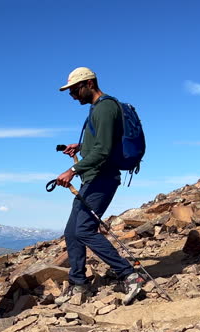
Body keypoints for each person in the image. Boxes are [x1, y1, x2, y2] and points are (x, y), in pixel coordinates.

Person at [55, 67, 145, 305]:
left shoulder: (105, 107)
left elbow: (104, 151)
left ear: (89, 84)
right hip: (94, 178)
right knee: (72, 231)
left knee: (84, 230)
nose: (73, 96)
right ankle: (78, 284)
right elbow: (101, 144)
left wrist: (72, 170)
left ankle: (130, 275)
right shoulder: (98, 108)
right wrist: (81, 147)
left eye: (74, 90)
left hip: (102, 179)